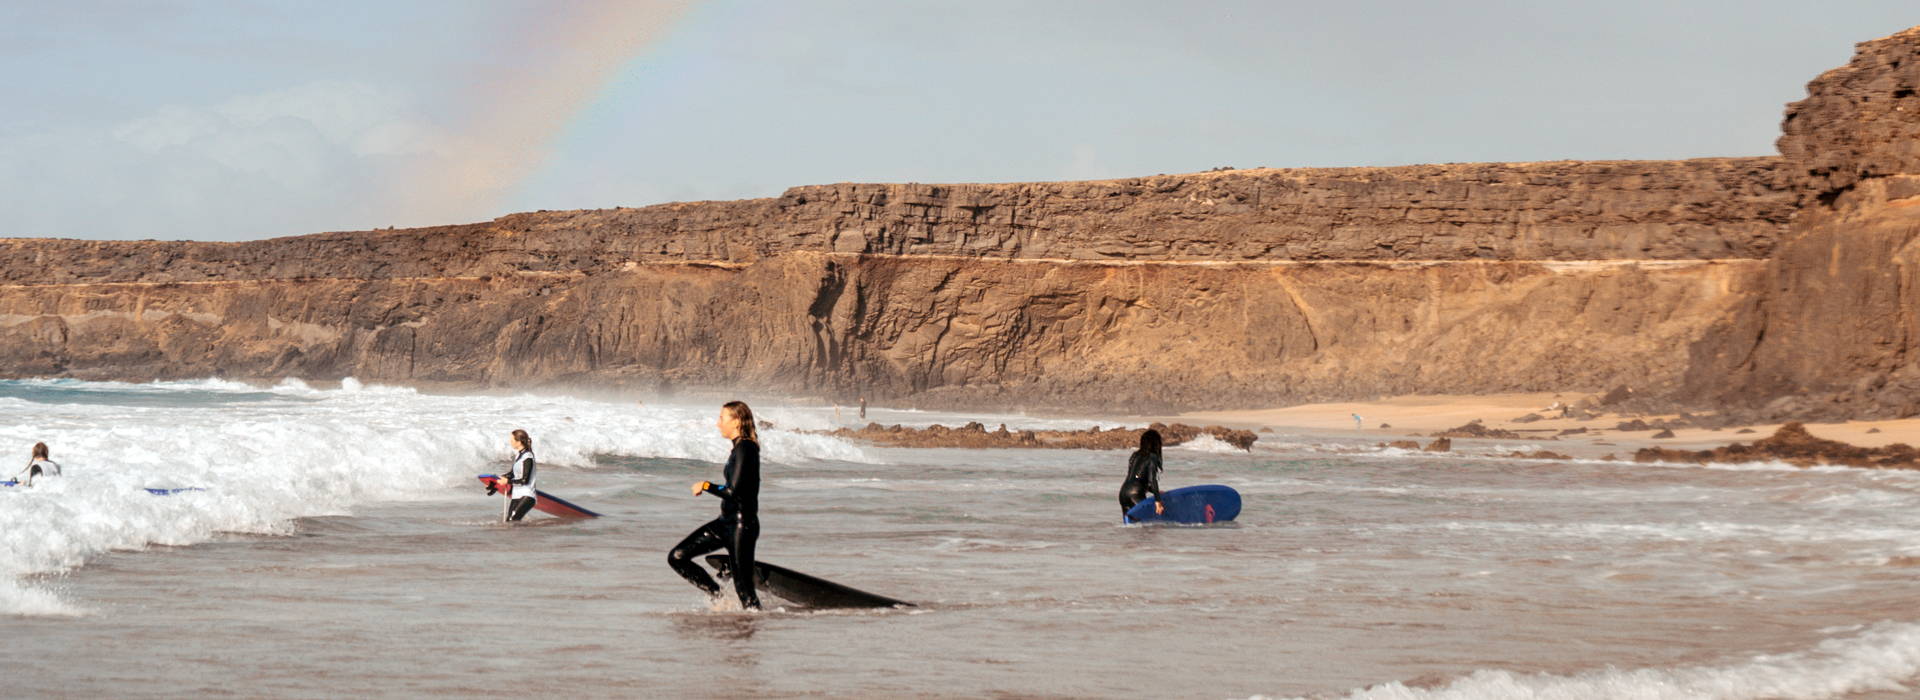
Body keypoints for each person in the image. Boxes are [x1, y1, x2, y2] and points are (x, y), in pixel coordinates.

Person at [668, 401, 762, 609]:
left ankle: (754, 631)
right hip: (725, 524)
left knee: (745, 593)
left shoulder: (746, 449)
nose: (718, 423)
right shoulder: (738, 449)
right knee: (678, 557)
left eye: (722, 418)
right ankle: (718, 596)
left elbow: (733, 492)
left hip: (741, 526)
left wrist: (706, 485)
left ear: (736, 421)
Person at [1118, 429, 1165, 521]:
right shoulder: (1152, 457)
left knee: (1131, 526)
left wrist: (1155, 492)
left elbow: (1136, 478)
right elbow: (1152, 480)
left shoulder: (1135, 455)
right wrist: (1158, 501)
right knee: (1147, 524)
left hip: (1123, 493)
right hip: (1135, 494)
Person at [498, 429, 537, 522]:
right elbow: (512, 474)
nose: (510, 442)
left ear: (519, 442)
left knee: (513, 520)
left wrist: (507, 481)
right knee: (509, 522)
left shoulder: (528, 457)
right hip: (516, 495)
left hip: (527, 495)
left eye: (512, 440)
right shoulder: (519, 455)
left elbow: (524, 481)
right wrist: (497, 479)